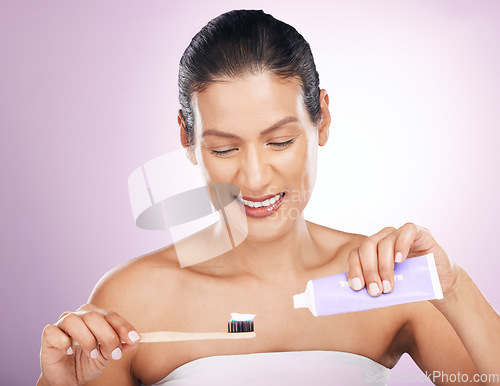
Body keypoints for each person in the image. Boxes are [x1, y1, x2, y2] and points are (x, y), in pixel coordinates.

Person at [38, 9, 500, 386]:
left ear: (322, 120)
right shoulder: (134, 302)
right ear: (186, 136)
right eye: (224, 149)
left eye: (279, 142)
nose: (255, 179)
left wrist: (455, 288)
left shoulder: (388, 282)